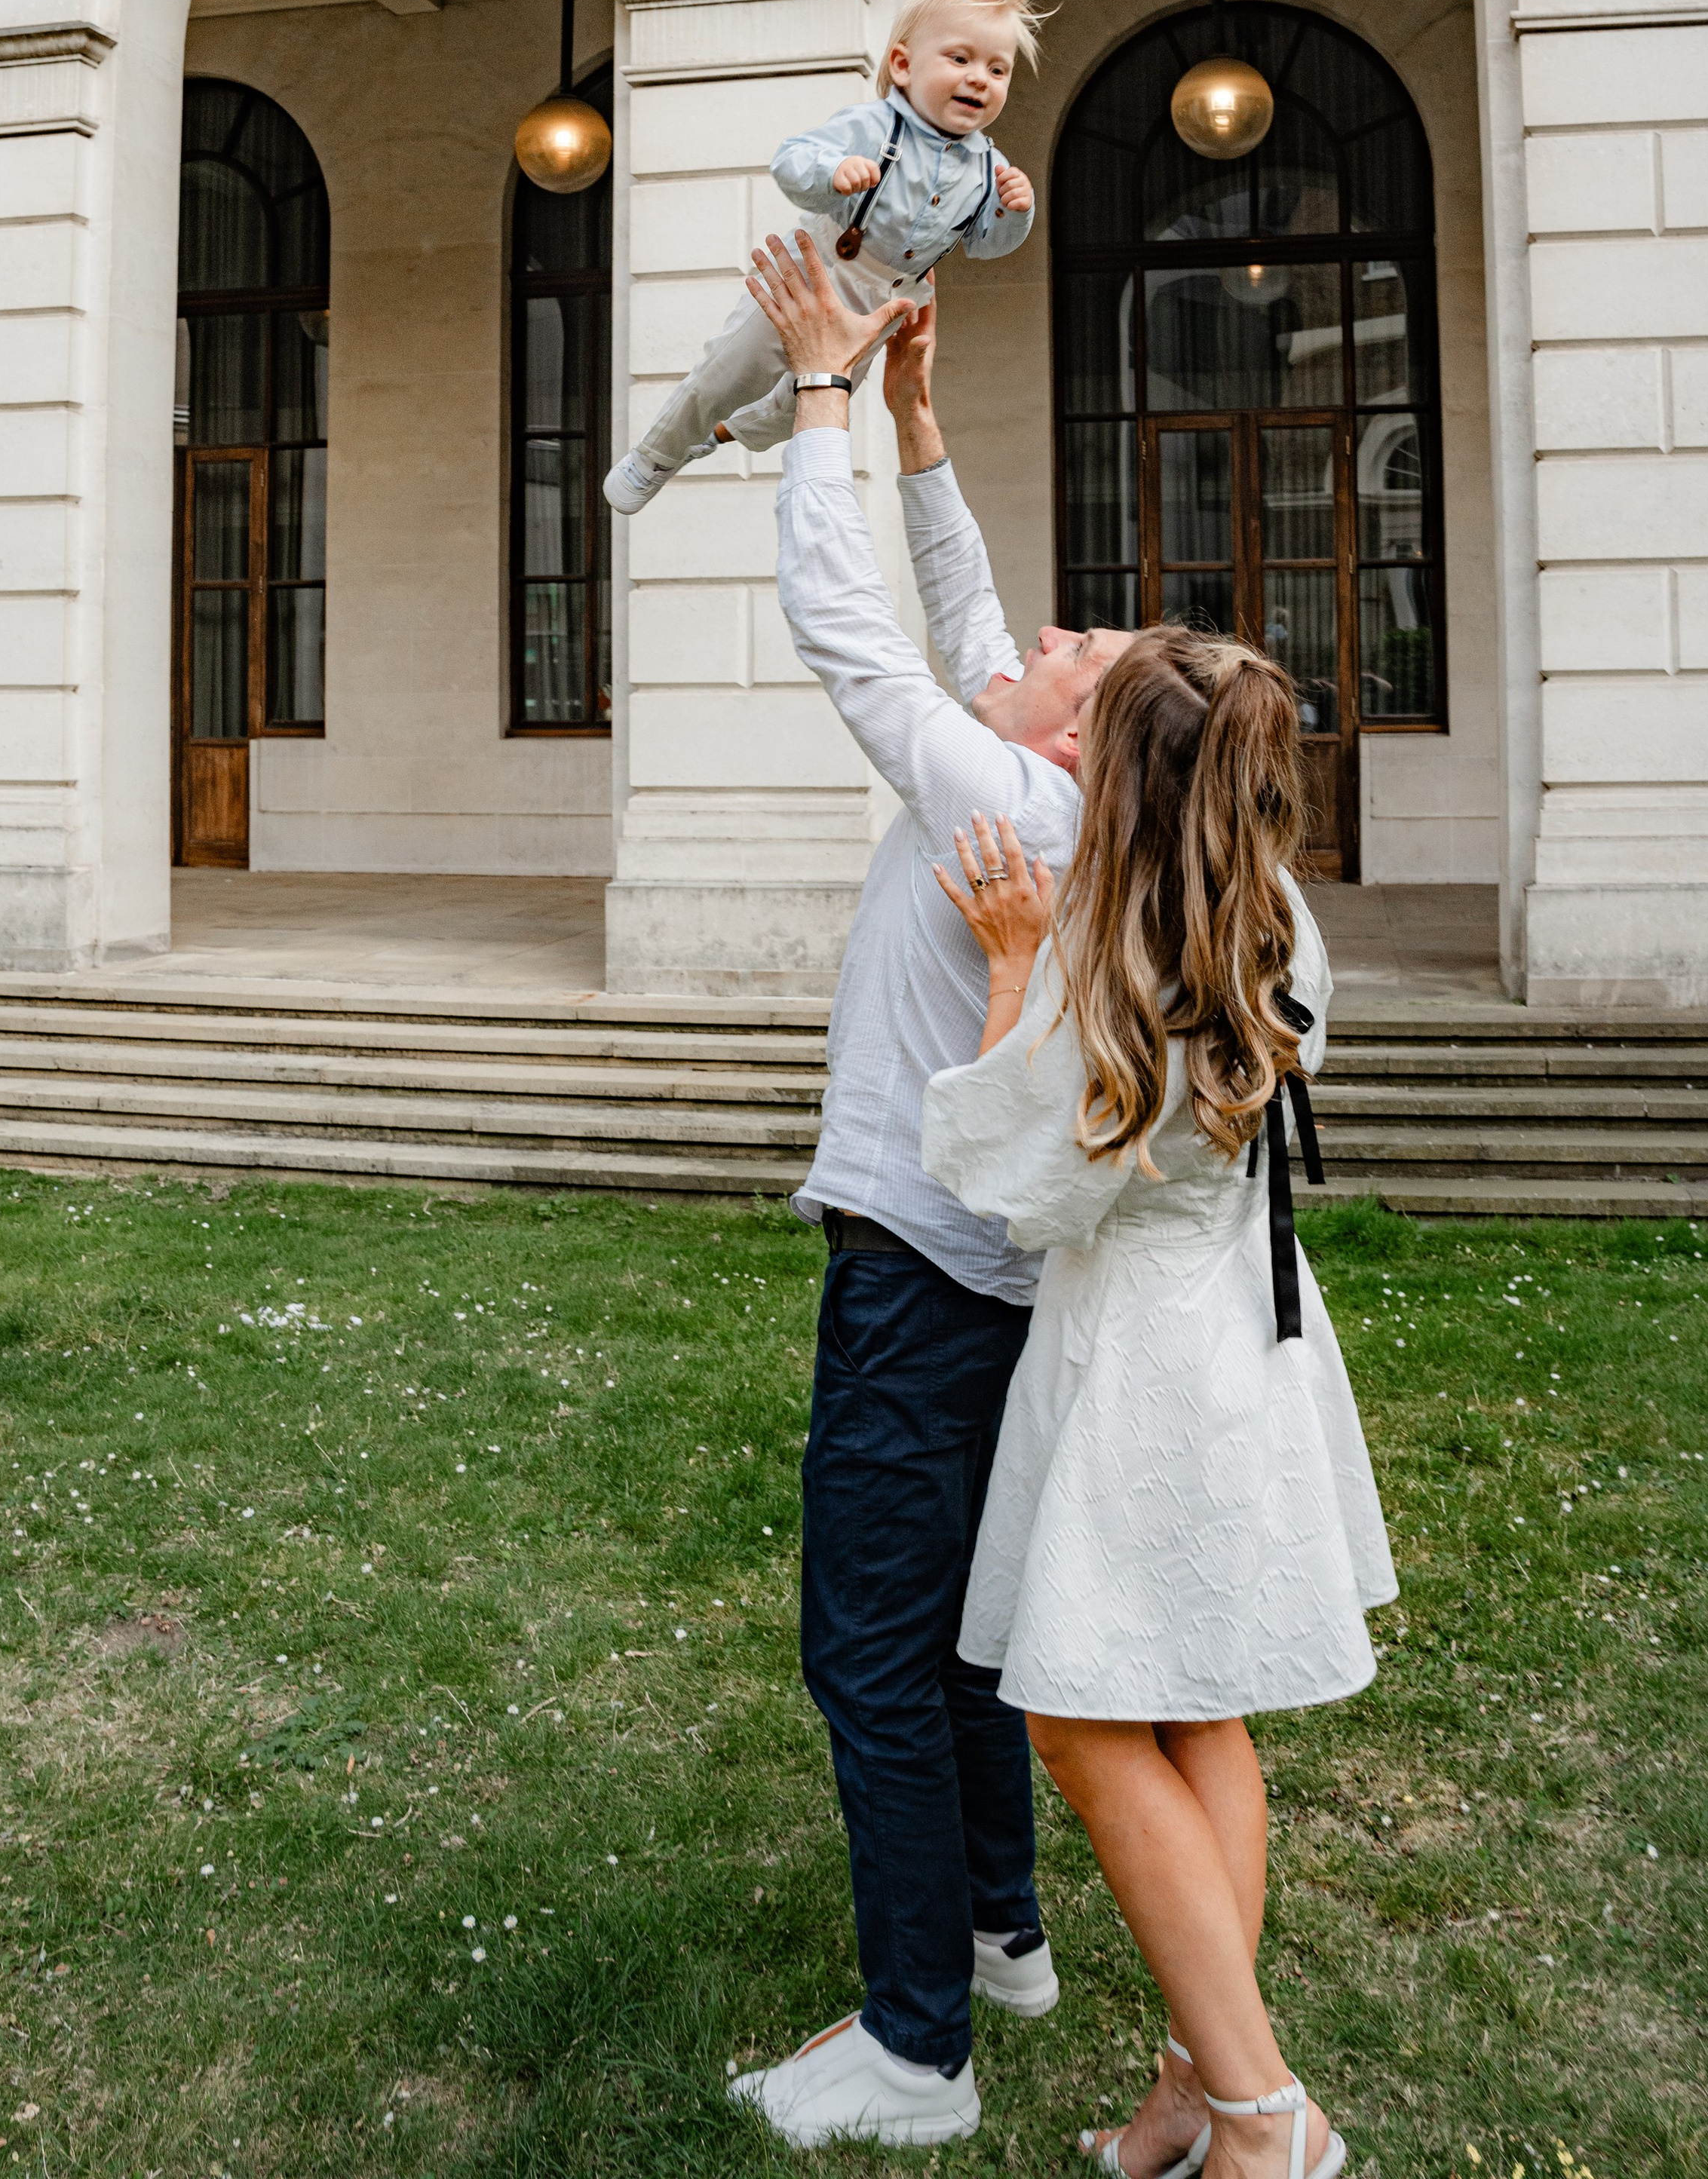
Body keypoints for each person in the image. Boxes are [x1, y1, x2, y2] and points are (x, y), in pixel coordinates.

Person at [725, 231, 1133, 2150]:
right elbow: (963, 613)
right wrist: (913, 423)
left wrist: (815, 389)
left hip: (915, 1267)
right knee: (963, 1626)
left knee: (868, 1648)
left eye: (1078, 652)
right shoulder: (1053, 779)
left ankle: (911, 2052)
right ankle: (995, 1928)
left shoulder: (1004, 792)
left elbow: (848, 628)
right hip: (987, 1266)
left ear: (1062, 737)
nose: (1045, 632)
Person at [920, 636, 1397, 2179]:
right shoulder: (1274, 922)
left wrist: (1005, 965)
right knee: (1200, 1706)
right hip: (1250, 1344)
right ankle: (1195, 2088)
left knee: (1073, 1711)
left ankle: (1267, 2118)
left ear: (1114, 781)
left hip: (1137, 1359)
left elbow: (1013, 1189)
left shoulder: (1106, 967)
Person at [603, 0, 1040, 513]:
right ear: (904, 66)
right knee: (728, 373)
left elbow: (985, 244)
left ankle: (712, 437)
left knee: (810, 403)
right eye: (960, 59)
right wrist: (833, 173)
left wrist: (1015, 212)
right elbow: (791, 159)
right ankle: (654, 454)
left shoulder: (988, 166)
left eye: (997, 69)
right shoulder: (873, 124)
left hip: (887, 299)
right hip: (820, 270)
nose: (979, 79)